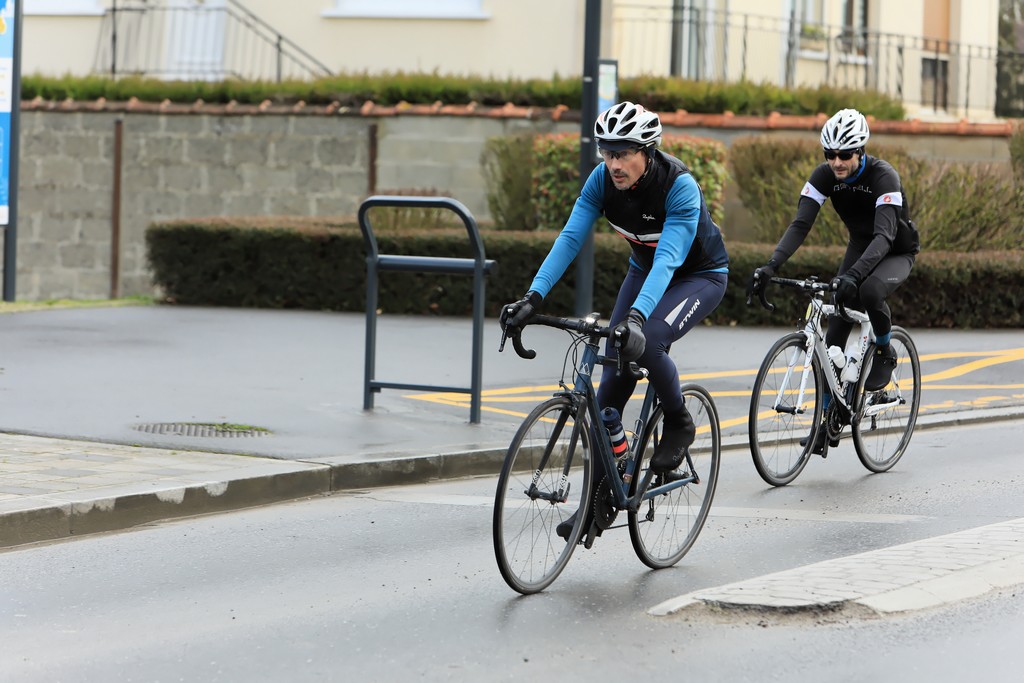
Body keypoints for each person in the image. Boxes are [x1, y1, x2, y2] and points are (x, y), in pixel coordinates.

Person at [500, 101, 730, 540]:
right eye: (607, 153)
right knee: (608, 393)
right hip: (644, 271)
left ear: (648, 151)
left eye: (623, 154)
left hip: (697, 276)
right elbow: (570, 238)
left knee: (650, 339)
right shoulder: (601, 180)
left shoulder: (678, 186)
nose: (614, 164)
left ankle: (679, 420)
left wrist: (637, 318)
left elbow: (668, 259)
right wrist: (532, 297)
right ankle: (600, 498)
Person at [748, 108, 920, 453]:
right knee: (835, 330)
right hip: (860, 245)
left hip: (894, 250)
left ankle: (884, 351)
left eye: (844, 155)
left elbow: (884, 237)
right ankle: (828, 420)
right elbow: (801, 224)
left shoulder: (884, 176)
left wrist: (853, 275)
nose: (836, 162)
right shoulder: (825, 175)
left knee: (870, 291)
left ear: (861, 150)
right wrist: (771, 265)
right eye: (830, 154)